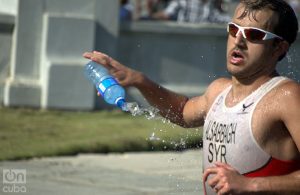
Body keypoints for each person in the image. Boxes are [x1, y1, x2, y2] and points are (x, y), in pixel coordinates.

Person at [83, 0, 300, 194]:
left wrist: (250, 185)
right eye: (234, 30)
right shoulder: (218, 91)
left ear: (278, 48)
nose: (239, 41)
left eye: (254, 35)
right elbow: (182, 112)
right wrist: (139, 80)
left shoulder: (285, 97)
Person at [150, 0, 231, 23]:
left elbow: (219, 18)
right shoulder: (184, 2)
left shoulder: (210, 5)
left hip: (203, 43)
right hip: (184, 41)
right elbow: (167, 14)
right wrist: (150, 17)